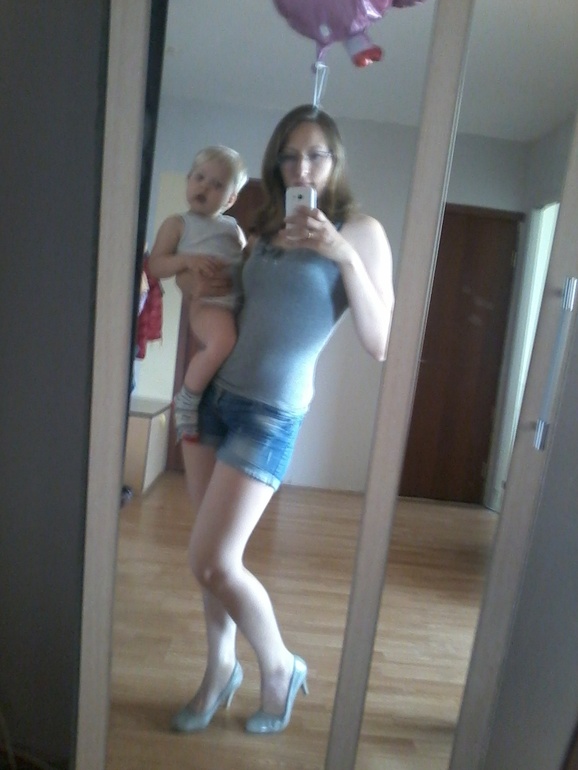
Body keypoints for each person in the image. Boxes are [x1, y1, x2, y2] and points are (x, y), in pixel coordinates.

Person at [170, 104, 395, 735]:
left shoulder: (361, 230)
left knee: (214, 559)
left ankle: (278, 666)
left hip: (270, 415)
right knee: (207, 557)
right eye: (290, 156)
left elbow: (380, 342)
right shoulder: (265, 226)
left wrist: (341, 254)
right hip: (216, 397)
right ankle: (220, 668)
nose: (302, 168)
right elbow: (239, 309)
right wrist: (197, 276)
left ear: (335, 159)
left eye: (315, 154)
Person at [148, 145, 248, 441]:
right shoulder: (178, 223)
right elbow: (155, 265)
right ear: (188, 180)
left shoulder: (233, 228)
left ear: (230, 199)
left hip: (235, 303)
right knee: (223, 341)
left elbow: (244, 262)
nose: (204, 187)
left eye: (217, 185)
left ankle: (215, 402)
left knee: (235, 350)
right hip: (207, 304)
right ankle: (187, 398)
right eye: (200, 177)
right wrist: (186, 261)